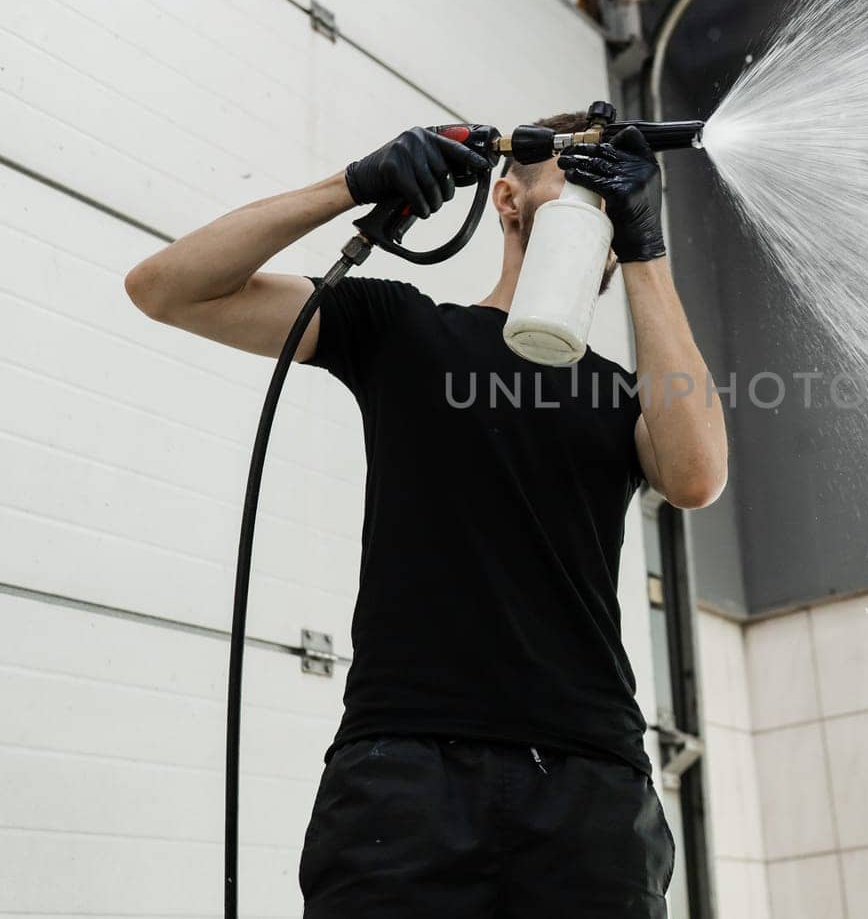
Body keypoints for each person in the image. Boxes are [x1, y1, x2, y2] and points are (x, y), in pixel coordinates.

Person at [123, 112, 728, 918]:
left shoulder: (625, 392)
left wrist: (646, 251)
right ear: (507, 195)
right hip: (405, 777)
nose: (596, 176)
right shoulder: (403, 330)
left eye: (613, 172)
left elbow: (695, 476)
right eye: (575, 162)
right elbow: (166, 288)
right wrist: (350, 184)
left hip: (589, 786)